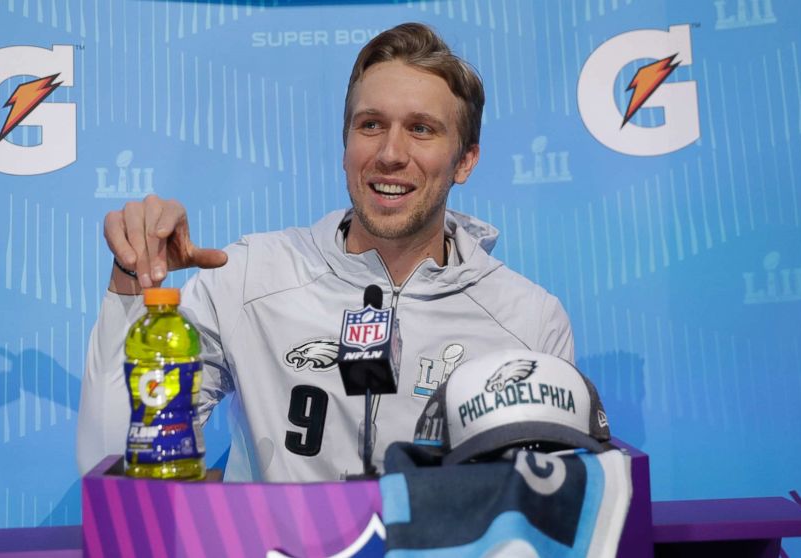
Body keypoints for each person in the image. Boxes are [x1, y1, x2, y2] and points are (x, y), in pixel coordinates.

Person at [76, 22, 574, 482]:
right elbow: (110, 465)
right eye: (371, 125)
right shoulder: (248, 277)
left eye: (421, 129)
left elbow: (552, 515)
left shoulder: (527, 320)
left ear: (465, 160)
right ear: (344, 146)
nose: (391, 153)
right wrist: (129, 280)